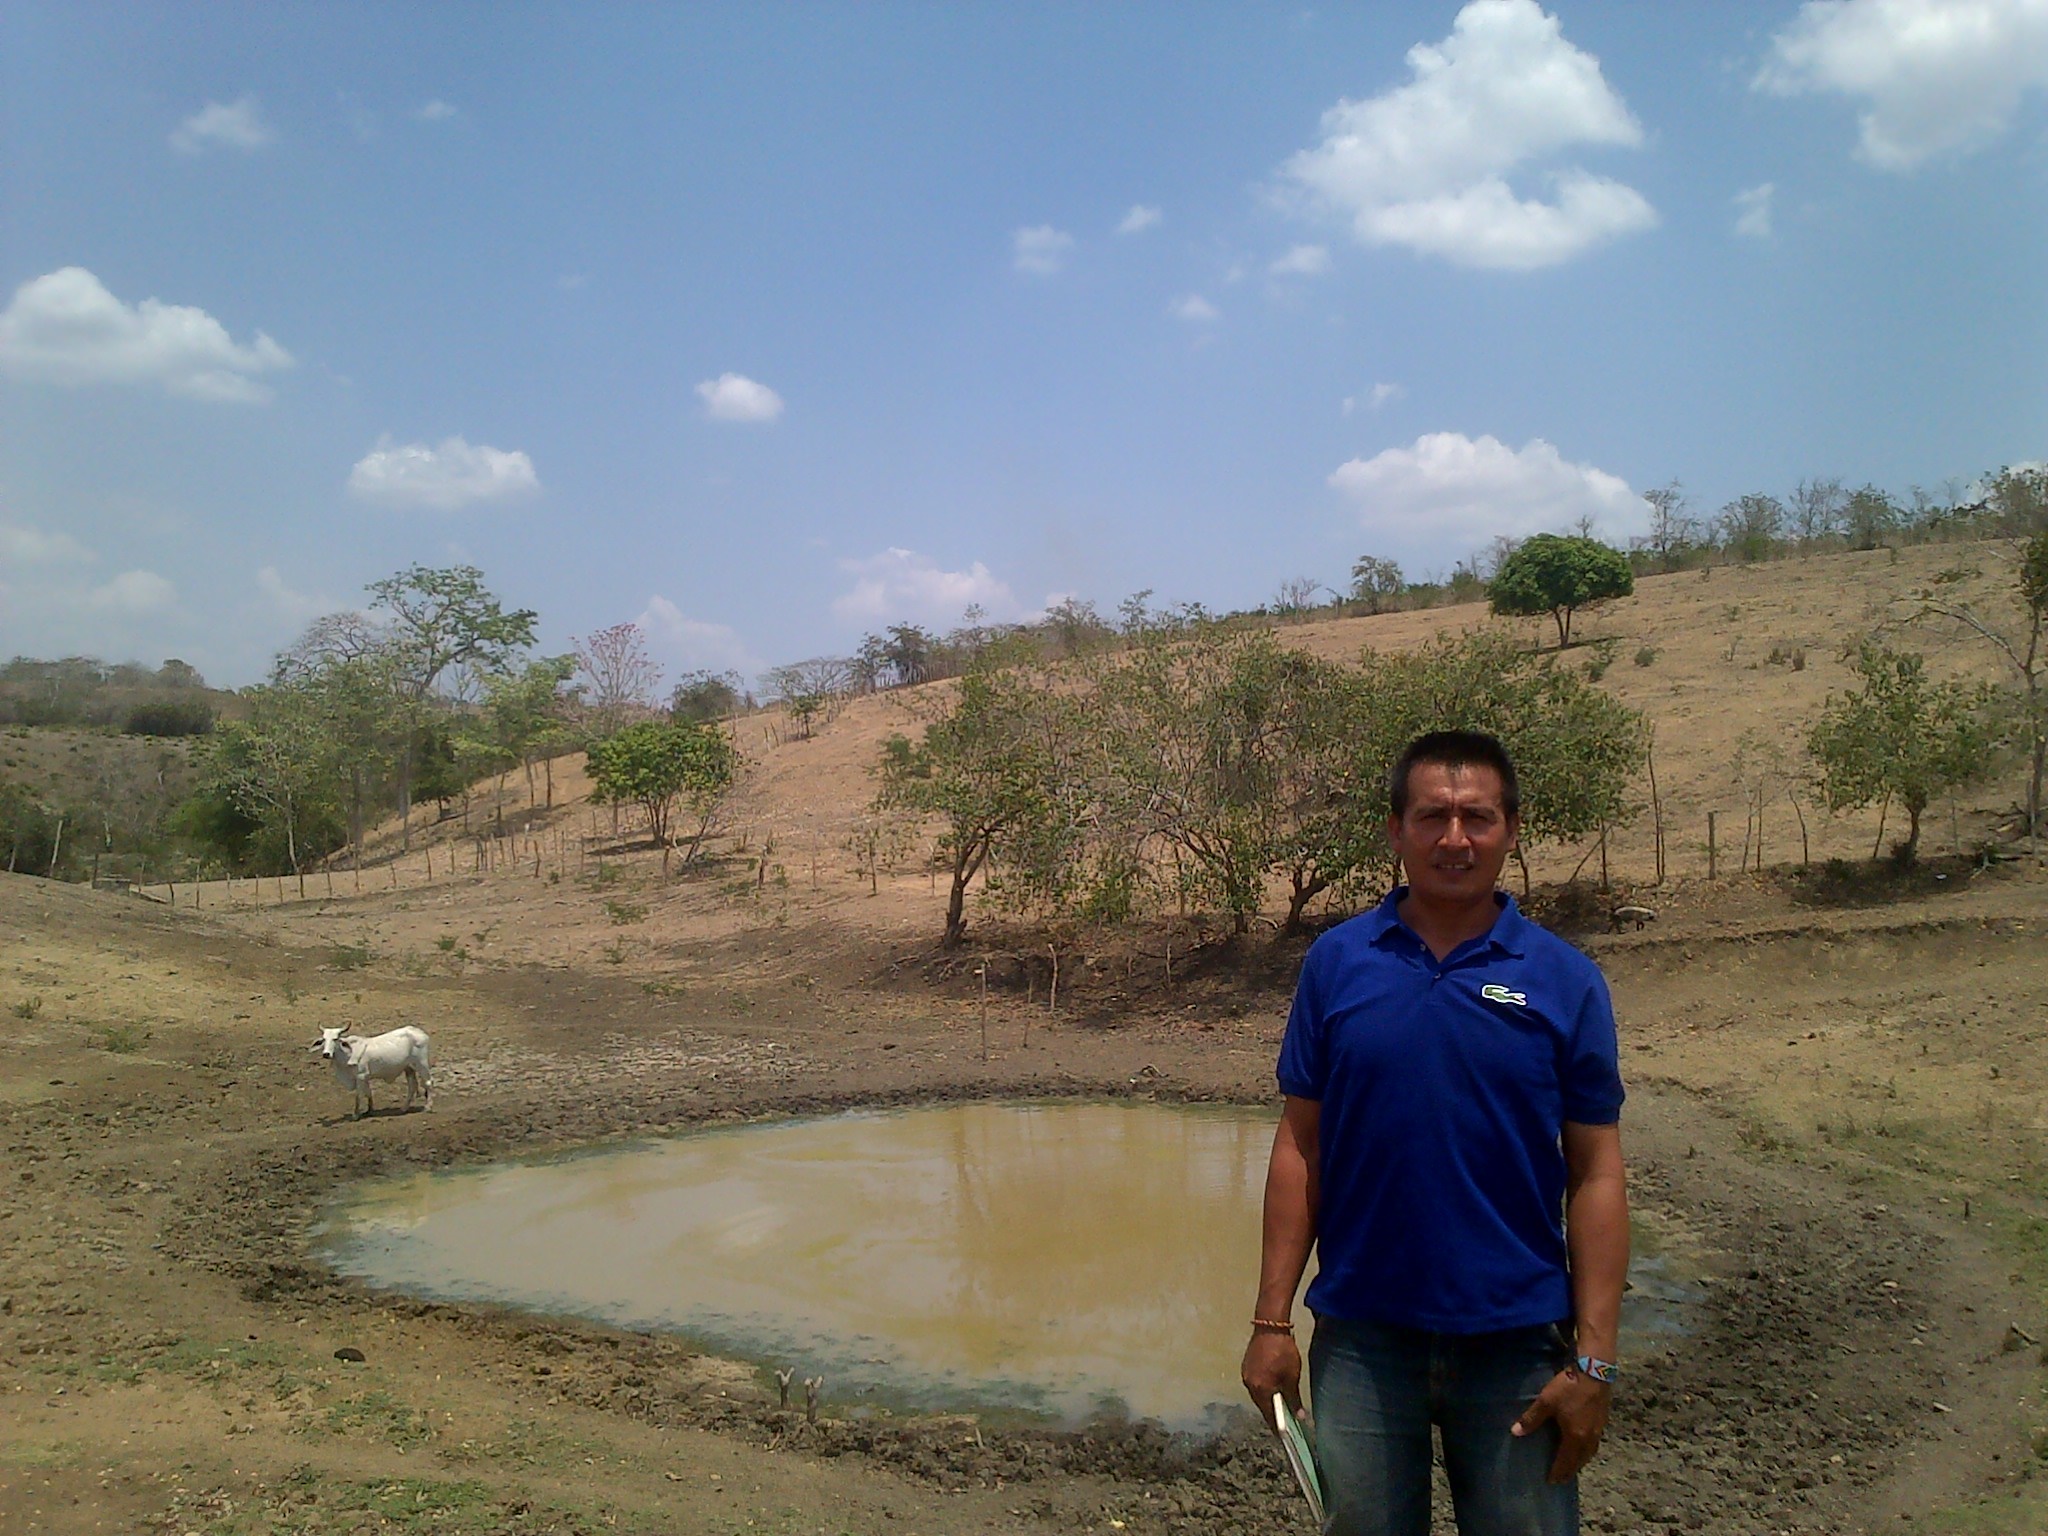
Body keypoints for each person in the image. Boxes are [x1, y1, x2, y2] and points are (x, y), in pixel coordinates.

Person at [1241, 729, 1629, 1536]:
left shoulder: (1563, 980)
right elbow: (1300, 1146)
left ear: (1512, 830)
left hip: (1519, 1343)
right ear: (1396, 831)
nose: (1456, 839)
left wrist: (1593, 1360)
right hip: (1362, 1342)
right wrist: (1272, 1323)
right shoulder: (1338, 964)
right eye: (1433, 817)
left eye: (1478, 818)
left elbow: (1595, 1172)